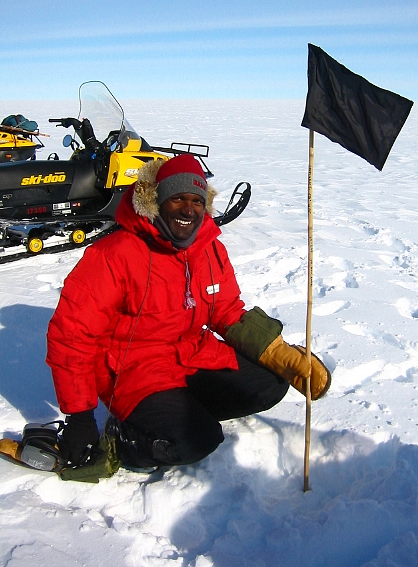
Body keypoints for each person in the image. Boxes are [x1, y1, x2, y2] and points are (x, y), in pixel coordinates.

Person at [46, 154, 331, 470]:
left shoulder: (209, 249)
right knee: (197, 440)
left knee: (270, 385)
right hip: (134, 372)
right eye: (177, 198)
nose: (187, 208)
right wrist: (80, 415)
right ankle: (126, 439)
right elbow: (72, 336)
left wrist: (278, 353)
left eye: (196, 200)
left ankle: (181, 412)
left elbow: (226, 311)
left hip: (192, 356)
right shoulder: (114, 255)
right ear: (156, 201)